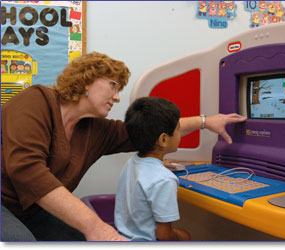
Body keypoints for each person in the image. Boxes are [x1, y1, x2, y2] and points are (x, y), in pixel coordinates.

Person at [1, 51, 246, 241]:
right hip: (5, 203)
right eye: (113, 85)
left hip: (30, 209)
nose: (117, 97)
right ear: (87, 80)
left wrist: (206, 122)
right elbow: (27, 171)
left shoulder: (94, 128)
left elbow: (151, 129)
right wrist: (95, 226)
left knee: (79, 240)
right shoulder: (36, 101)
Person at [115, 97, 190, 241]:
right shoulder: (165, 180)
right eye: (178, 129)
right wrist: (183, 236)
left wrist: (159, 165)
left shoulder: (132, 162)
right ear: (163, 140)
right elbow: (164, 236)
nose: (180, 134)